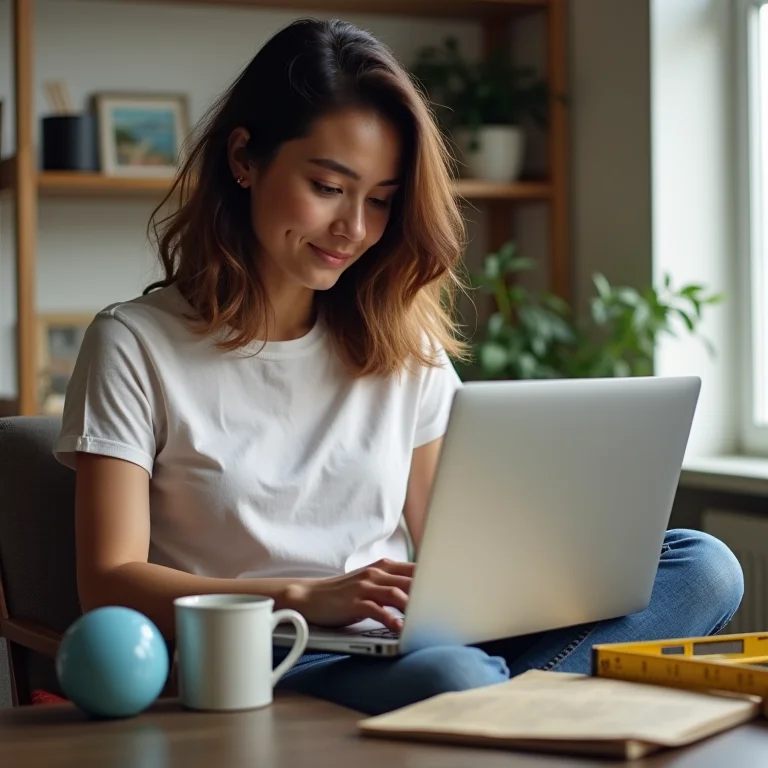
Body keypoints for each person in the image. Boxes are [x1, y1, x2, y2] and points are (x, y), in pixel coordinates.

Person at [54, 18, 744, 717]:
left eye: (381, 200)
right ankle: (519, 709)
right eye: (329, 186)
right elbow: (108, 582)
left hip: (405, 643)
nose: (354, 228)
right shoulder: (135, 344)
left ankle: (509, 707)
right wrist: (304, 596)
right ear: (244, 158)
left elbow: (464, 555)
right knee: (457, 677)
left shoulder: (400, 344)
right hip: (264, 653)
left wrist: (545, 564)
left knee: (704, 565)